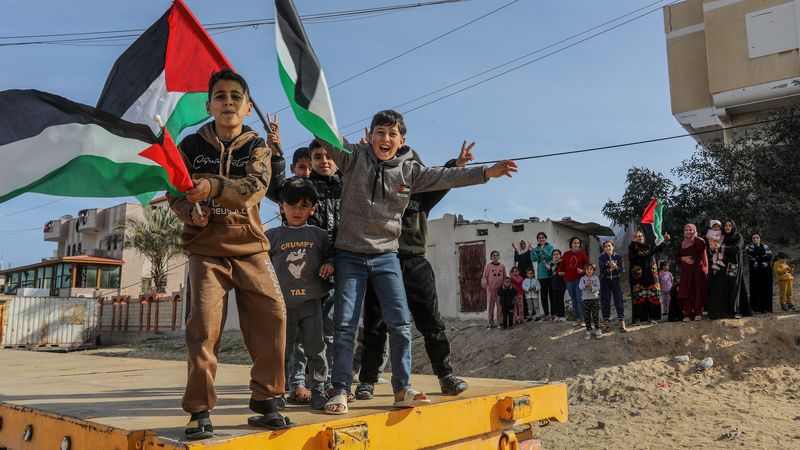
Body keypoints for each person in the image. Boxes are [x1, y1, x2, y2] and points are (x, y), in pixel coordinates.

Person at [315, 109, 517, 415]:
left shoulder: (410, 173)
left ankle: (402, 389)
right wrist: (308, 99)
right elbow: (324, 135)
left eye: (392, 134)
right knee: (345, 325)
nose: (385, 139)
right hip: (350, 255)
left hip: (387, 256)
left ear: (401, 141)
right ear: (369, 137)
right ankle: (341, 389)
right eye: (379, 133)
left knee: (400, 324)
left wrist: (486, 172)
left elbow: (447, 176)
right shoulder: (352, 158)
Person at [168, 68, 290, 438]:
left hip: (252, 249)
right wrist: (192, 212)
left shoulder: (258, 147)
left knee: (274, 316)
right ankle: (199, 410)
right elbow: (175, 191)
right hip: (206, 252)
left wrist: (213, 187)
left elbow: (255, 187)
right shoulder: (190, 146)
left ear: (248, 107)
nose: (228, 102)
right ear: (209, 105)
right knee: (202, 329)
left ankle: (267, 399)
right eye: (220, 96)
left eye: (236, 97)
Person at [356, 144, 476, 403]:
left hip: (414, 262)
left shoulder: (423, 194)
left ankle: (445, 376)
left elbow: (444, 179)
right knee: (376, 324)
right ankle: (367, 380)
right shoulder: (378, 189)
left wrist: (456, 164)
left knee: (431, 323)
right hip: (381, 261)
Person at [265, 178, 333, 411]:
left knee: (316, 348)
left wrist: (329, 265)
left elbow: (331, 257)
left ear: (312, 209)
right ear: (281, 206)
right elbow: (262, 266)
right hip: (281, 306)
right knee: (281, 351)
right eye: (291, 205)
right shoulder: (271, 236)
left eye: (303, 206)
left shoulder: (319, 235)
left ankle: (319, 389)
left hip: (311, 304)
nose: (297, 211)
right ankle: (278, 392)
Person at [707, 219, 752, 319]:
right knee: (721, 288)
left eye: (730, 225)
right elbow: (712, 251)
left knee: (734, 288)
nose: (727, 227)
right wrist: (713, 248)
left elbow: (736, 248)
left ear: (733, 227)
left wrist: (721, 248)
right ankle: (720, 312)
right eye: (726, 225)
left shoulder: (738, 237)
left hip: (733, 266)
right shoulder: (721, 237)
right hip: (721, 266)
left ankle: (736, 311)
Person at [628, 230, 669, 325]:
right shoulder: (632, 247)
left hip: (651, 275)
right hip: (638, 277)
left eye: (641, 235)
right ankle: (638, 318)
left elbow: (658, 249)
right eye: (637, 236)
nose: (639, 237)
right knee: (639, 296)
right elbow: (631, 256)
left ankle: (652, 317)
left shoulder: (649, 246)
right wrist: (633, 242)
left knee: (652, 296)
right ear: (634, 238)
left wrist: (664, 240)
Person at [675, 224, 708, 321]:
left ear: (694, 231)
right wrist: (683, 258)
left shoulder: (698, 241)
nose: (688, 232)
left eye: (691, 230)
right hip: (686, 273)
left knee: (697, 291)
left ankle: (698, 312)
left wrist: (696, 237)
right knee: (687, 292)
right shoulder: (681, 244)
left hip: (697, 271)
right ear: (684, 232)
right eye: (686, 230)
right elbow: (677, 257)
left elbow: (703, 249)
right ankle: (687, 314)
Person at [561, 237, 590, 326]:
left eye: (578, 243)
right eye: (574, 243)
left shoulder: (582, 254)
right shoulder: (566, 254)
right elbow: (562, 265)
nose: (576, 244)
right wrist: (559, 271)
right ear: (571, 244)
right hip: (569, 280)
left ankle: (583, 319)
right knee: (573, 300)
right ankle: (577, 319)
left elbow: (588, 265)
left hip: (579, 279)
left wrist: (583, 270)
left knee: (579, 299)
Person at [598, 240, 625, 333]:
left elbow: (622, 269)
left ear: (613, 247)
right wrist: (610, 269)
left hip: (615, 280)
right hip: (605, 280)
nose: (608, 248)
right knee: (605, 301)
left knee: (618, 300)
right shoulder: (602, 257)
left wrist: (615, 266)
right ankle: (606, 324)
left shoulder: (618, 256)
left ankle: (622, 323)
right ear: (604, 248)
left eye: (609, 246)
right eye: (605, 246)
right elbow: (602, 270)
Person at [745, 233, 773, 314]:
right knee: (757, 289)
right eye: (753, 238)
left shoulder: (765, 246)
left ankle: (767, 308)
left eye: (757, 237)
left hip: (766, 271)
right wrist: (762, 255)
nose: (755, 239)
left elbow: (769, 257)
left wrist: (757, 257)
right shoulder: (748, 247)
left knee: (766, 289)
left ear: (760, 238)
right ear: (751, 239)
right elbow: (752, 254)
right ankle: (758, 308)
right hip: (755, 271)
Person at [530, 232, 555, 320]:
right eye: (539, 238)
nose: (541, 239)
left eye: (543, 237)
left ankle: (553, 313)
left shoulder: (551, 247)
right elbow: (534, 259)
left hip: (550, 274)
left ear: (545, 238)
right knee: (543, 295)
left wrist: (543, 250)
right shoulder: (536, 248)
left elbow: (550, 257)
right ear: (537, 239)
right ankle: (546, 314)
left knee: (552, 295)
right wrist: (532, 251)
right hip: (541, 275)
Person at [482, 250, 507, 329]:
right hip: (491, 289)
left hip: (500, 289)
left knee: (500, 306)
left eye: (497, 255)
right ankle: (490, 323)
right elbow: (485, 276)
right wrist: (484, 283)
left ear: (499, 257)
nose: (495, 257)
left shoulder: (502, 266)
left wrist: (505, 286)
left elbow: (504, 277)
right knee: (490, 306)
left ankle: (500, 322)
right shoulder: (488, 266)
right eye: (494, 255)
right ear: (491, 257)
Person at [579, 264, 602, 339]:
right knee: (587, 315)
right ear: (585, 270)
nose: (589, 271)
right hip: (586, 299)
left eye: (590, 269)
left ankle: (598, 329)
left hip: (594, 299)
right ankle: (588, 329)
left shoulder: (596, 278)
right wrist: (585, 286)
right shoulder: (582, 278)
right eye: (587, 269)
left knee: (595, 315)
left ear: (593, 270)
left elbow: (598, 287)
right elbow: (580, 287)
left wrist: (592, 287)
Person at [512, 240, 533, 319]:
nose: (523, 245)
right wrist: (515, 250)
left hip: (528, 275)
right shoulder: (518, 253)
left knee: (529, 294)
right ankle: (523, 313)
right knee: (522, 295)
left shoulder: (529, 252)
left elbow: (529, 260)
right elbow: (516, 261)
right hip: (521, 277)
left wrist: (528, 249)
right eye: (521, 244)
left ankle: (531, 313)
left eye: (524, 243)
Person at [549, 249, 567, 322]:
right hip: (554, 284)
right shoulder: (552, 264)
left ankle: (562, 316)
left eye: (557, 254)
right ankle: (557, 316)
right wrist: (551, 271)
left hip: (561, 284)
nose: (555, 256)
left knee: (560, 300)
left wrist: (557, 271)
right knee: (555, 300)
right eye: (554, 254)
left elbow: (564, 272)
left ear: (560, 255)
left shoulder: (562, 263)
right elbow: (549, 274)